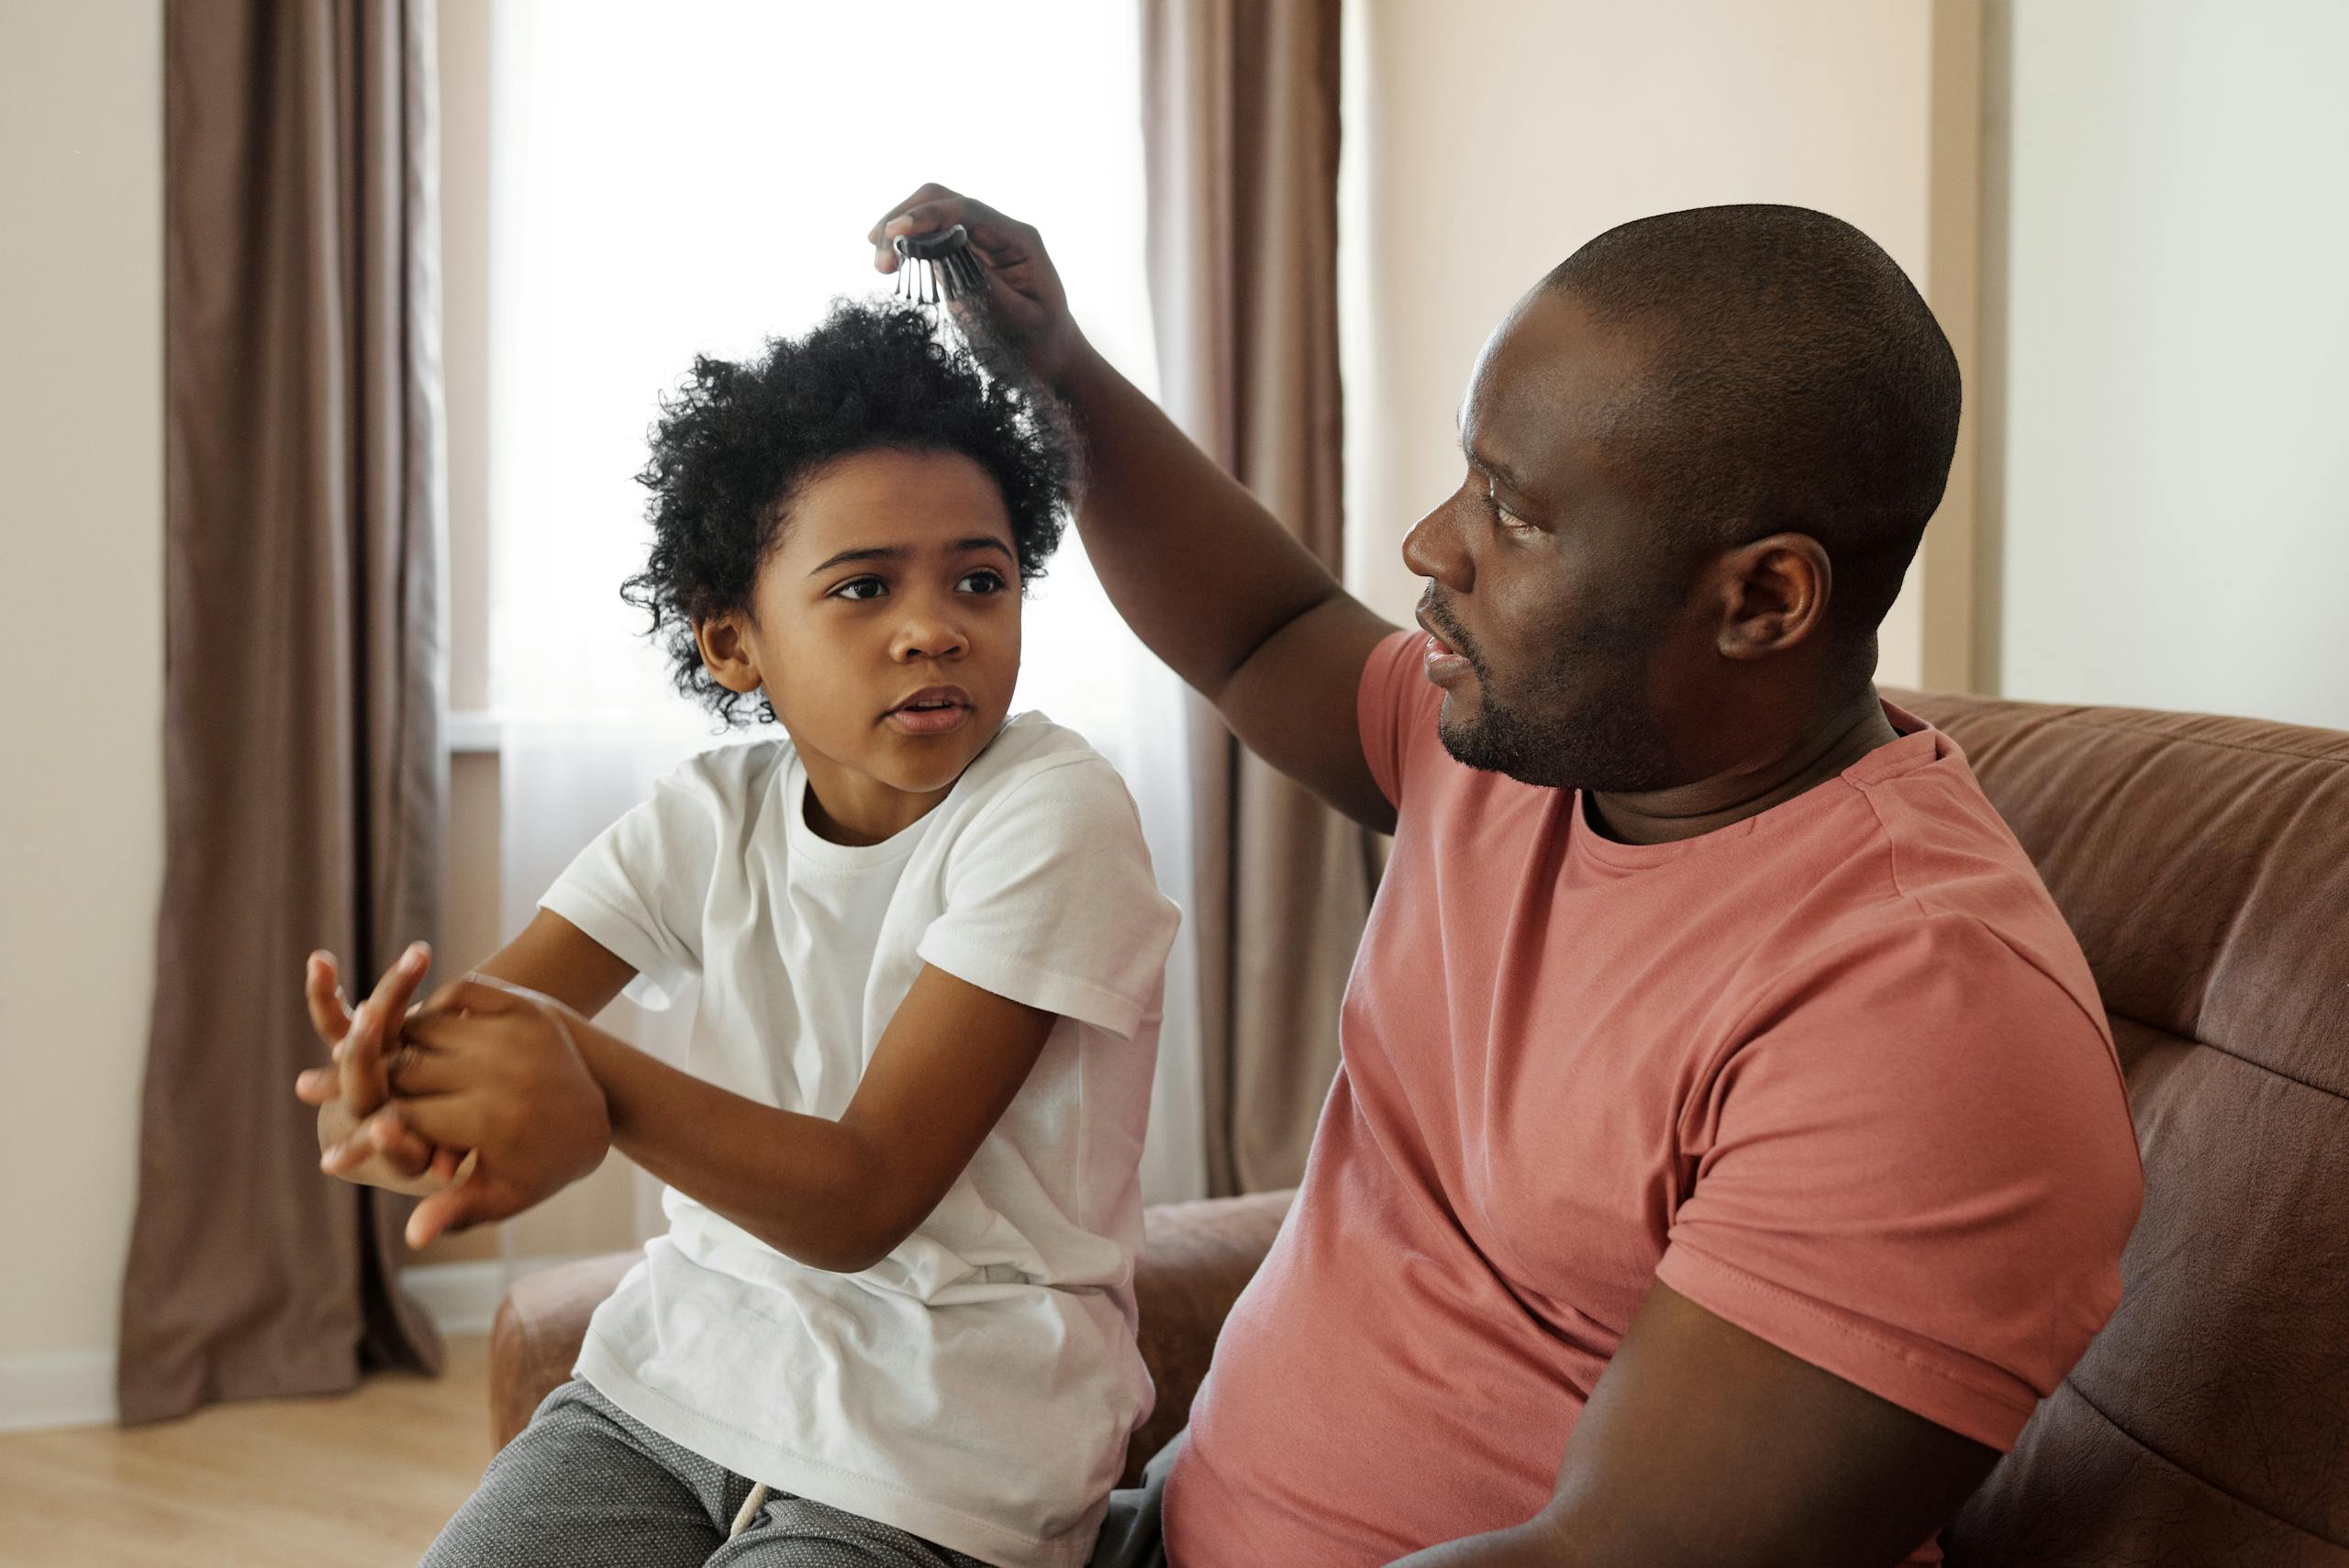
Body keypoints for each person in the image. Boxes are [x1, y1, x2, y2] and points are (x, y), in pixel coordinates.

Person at [849, 188, 2139, 1568]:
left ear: (1764, 600)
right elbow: (1265, 634)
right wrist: (1059, 374)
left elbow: (1606, 1557)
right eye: (1471, 476)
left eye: (1512, 512)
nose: (1431, 547)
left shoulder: (1922, 1021)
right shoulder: (1534, 740)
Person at [295, 299, 1182, 1568]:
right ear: (734, 642)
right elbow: (483, 1045)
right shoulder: (707, 815)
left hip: (946, 1448)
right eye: (864, 585)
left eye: (979, 578)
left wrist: (585, 1077)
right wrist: (385, 1103)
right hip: (671, 1388)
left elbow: (865, 1193)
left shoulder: (1055, 810)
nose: (932, 624)